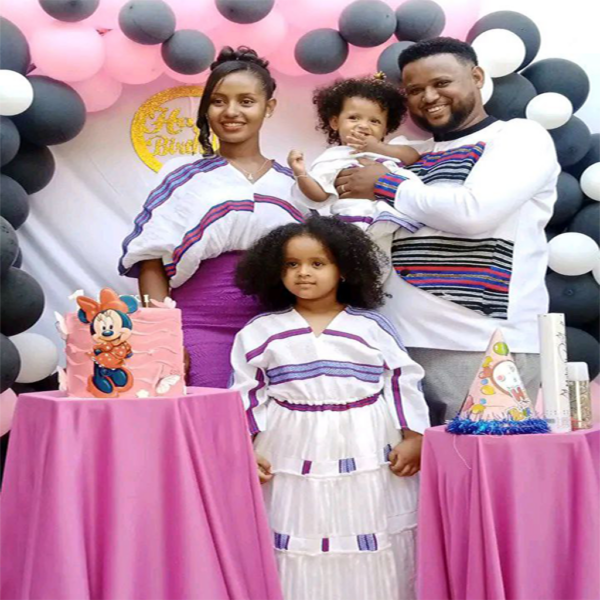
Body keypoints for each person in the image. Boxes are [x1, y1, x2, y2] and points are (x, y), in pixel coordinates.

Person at [334, 37, 560, 424]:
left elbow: (474, 212)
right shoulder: (408, 153)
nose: (429, 97)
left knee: (479, 460)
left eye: (441, 83)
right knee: (403, 465)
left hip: (480, 345)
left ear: (477, 77)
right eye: (415, 90)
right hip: (391, 341)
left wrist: (384, 184)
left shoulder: (519, 137)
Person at [230, 215, 430, 600]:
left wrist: (414, 436)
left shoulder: (372, 327)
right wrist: (244, 448)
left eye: (317, 263)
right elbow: (246, 393)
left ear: (345, 270)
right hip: (289, 446)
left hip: (366, 441)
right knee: (297, 524)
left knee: (366, 519)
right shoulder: (259, 332)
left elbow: (402, 380)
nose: (303, 273)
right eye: (292, 264)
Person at [118, 46, 303, 388]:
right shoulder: (182, 175)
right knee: (208, 411)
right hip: (198, 326)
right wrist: (163, 339)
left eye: (246, 101)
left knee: (275, 418)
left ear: (269, 107)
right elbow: (151, 261)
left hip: (279, 328)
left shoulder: (294, 184)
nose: (231, 112)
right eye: (218, 101)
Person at [288, 76, 423, 252]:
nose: (364, 126)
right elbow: (319, 195)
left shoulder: (390, 149)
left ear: (386, 128)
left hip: (391, 222)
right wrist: (300, 173)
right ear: (335, 122)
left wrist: (378, 147)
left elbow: (412, 157)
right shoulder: (333, 157)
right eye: (353, 118)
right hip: (351, 222)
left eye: (374, 121)